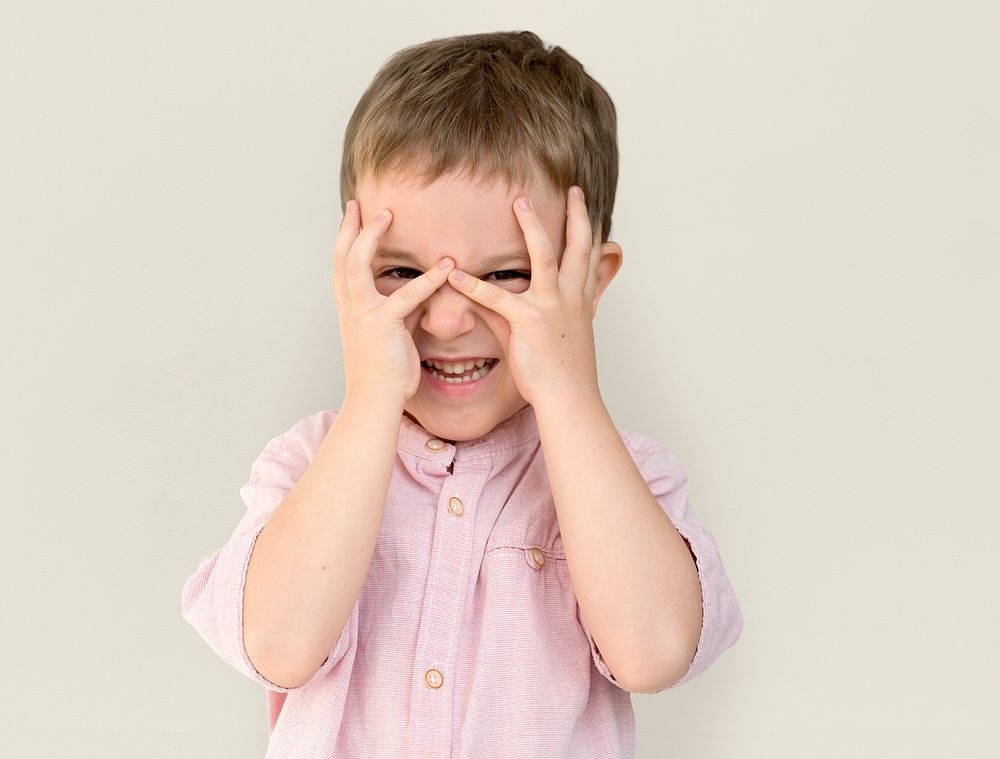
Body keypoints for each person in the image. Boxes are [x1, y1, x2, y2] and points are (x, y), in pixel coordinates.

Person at [181, 30, 743, 759]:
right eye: (399, 273)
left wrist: (569, 392)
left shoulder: (625, 475)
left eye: (506, 276)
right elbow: (279, 644)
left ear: (591, 283)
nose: (446, 319)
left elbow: (656, 650)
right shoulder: (310, 461)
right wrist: (372, 398)